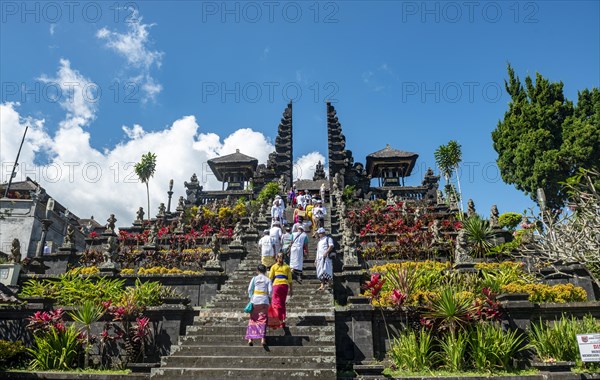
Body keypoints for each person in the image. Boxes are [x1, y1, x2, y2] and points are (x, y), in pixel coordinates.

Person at [245, 264, 272, 346]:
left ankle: (250, 339)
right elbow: (270, 292)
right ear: (265, 271)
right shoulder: (268, 280)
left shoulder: (254, 279)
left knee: (253, 319)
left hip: (255, 300)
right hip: (264, 301)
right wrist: (269, 298)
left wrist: (251, 297)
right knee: (262, 319)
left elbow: (250, 289)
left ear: (257, 271)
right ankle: (263, 339)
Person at [268, 252, 292, 329]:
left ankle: (277, 319)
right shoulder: (287, 267)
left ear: (276, 258)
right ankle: (283, 319)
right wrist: (291, 290)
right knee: (282, 303)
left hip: (276, 285)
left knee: (275, 303)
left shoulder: (274, 267)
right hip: (284, 285)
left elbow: (270, 278)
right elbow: (290, 280)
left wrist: (268, 288)